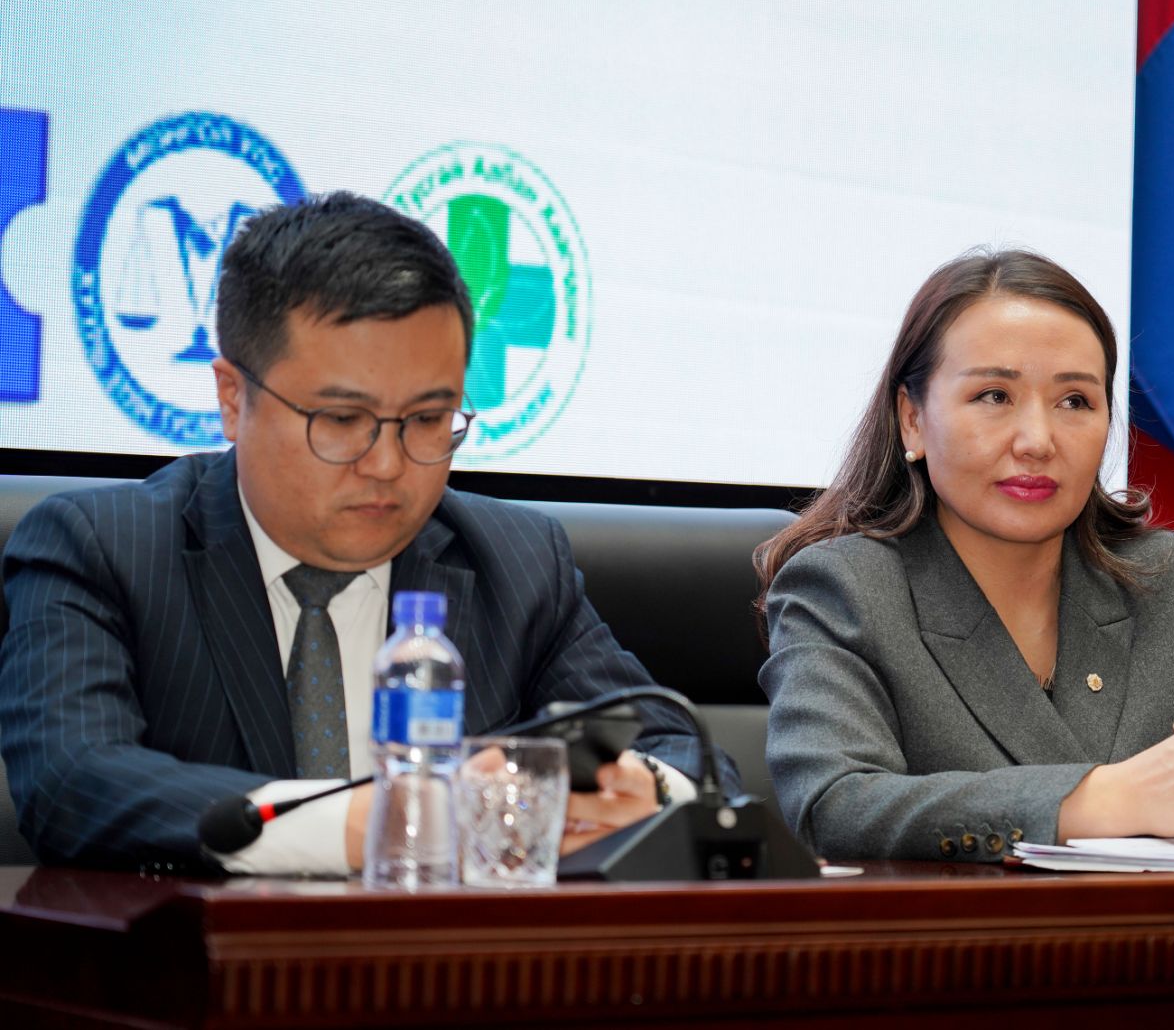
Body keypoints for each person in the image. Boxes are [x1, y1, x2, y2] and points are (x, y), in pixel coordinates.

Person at [0, 192, 734, 873]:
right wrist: (391, 820)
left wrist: (634, 791)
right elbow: (71, 781)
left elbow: (687, 757)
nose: (387, 464)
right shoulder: (102, 548)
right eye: (342, 419)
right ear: (232, 398)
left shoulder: (517, 563)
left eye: (428, 419)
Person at [756, 249, 1174, 861]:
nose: (1037, 441)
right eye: (994, 395)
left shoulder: (1163, 578)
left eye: (1074, 402)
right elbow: (836, 804)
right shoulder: (846, 588)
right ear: (912, 420)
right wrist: (1105, 799)